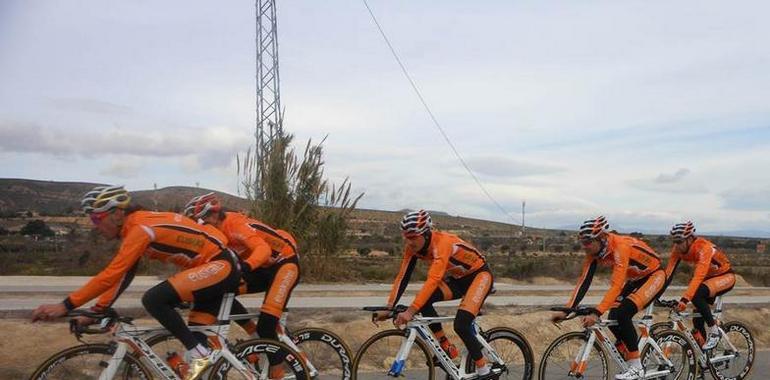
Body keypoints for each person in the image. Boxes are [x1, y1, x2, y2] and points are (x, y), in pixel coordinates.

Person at [31, 185, 240, 380]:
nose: (96, 226)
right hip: (210, 269)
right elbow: (123, 276)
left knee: (154, 299)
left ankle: (201, 354)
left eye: (96, 219)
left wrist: (65, 305)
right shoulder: (135, 227)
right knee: (193, 346)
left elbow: (112, 273)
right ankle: (200, 357)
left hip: (220, 265)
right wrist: (96, 310)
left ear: (117, 213)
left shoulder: (141, 227)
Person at [184, 192, 300, 378]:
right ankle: (255, 337)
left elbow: (263, 249)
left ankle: (277, 369)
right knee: (220, 291)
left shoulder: (233, 224)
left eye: (200, 222)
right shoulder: (216, 234)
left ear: (213, 215)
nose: (200, 228)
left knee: (267, 324)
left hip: (285, 264)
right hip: (264, 268)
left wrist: (245, 267)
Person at [373, 210, 495, 377]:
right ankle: (446, 347)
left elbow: (433, 279)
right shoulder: (412, 248)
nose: (409, 241)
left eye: (413, 237)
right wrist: (388, 307)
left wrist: (410, 311)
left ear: (425, 233)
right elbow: (402, 278)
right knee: (425, 301)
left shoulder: (442, 243)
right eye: (406, 237)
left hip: (480, 276)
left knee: (461, 324)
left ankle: (484, 369)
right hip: (459, 280)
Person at [551, 216, 665, 380]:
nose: (585, 247)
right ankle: (629, 352)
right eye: (583, 242)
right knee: (613, 317)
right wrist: (566, 310)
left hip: (654, 276)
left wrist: (597, 313)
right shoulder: (594, 253)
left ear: (601, 237)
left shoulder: (620, 246)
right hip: (635, 280)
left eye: (588, 242)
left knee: (623, 313)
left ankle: (636, 366)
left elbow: (616, 285)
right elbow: (583, 282)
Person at [663, 221, 735, 350]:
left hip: (725, 276)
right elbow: (668, 274)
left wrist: (685, 299)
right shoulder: (677, 250)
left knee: (696, 295)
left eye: (679, 241)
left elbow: (698, 276)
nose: (677, 245)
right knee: (697, 321)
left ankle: (714, 331)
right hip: (708, 280)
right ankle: (704, 358)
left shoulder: (703, 247)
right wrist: (655, 293)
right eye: (674, 241)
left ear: (690, 238)